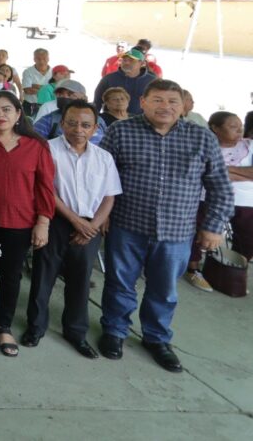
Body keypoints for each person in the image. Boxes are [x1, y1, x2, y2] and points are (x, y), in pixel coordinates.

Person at [98, 80, 233, 372]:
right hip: (126, 225)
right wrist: (102, 214)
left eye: (173, 101)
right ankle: (114, 331)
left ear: (184, 105)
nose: (166, 107)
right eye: (158, 100)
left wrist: (213, 226)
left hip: (177, 232)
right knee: (119, 284)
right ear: (143, 102)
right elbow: (102, 176)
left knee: (164, 289)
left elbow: (220, 187)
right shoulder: (120, 131)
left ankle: (156, 338)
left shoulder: (202, 138)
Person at [22, 100, 119, 359]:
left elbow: (110, 196)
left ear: (95, 128)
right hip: (54, 221)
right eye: (72, 123)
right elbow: (47, 190)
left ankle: (76, 332)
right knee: (44, 276)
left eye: (86, 125)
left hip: (90, 225)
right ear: (62, 123)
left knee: (80, 282)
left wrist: (93, 226)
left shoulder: (103, 158)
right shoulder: (47, 150)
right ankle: (36, 327)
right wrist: (76, 221)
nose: (79, 129)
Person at [0, 92, 55, 358]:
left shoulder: (36, 145)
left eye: (6, 109)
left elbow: (45, 187)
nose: (0, 115)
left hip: (20, 221)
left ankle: (4, 325)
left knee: (12, 274)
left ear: (19, 113)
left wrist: (43, 222)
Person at [207, 112, 253, 258]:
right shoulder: (207, 146)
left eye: (241, 126)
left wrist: (223, 170)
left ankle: (236, 271)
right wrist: (244, 174)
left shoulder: (249, 145)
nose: (240, 130)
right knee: (202, 236)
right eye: (233, 126)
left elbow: (212, 174)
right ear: (216, 128)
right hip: (209, 199)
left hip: (246, 202)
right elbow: (203, 174)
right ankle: (193, 269)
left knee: (247, 240)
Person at [93, 49, 155, 115]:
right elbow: (97, 102)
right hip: (111, 121)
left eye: (131, 60)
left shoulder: (152, 81)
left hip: (141, 122)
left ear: (142, 63)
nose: (126, 63)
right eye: (124, 60)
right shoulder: (109, 79)